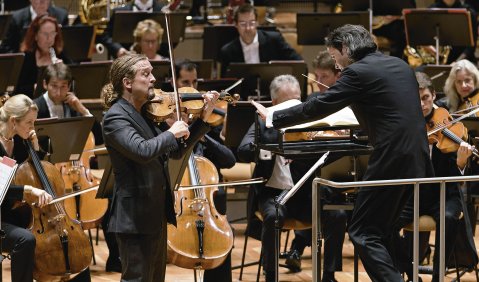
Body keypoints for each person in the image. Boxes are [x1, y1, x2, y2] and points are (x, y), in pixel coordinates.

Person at [252, 24, 433, 281]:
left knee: (362, 231)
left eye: (336, 58)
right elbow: (389, 112)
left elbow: (319, 106)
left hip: (392, 157)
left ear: (345, 48)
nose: (337, 65)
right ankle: (405, 275)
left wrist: (273, 116)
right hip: (417, 158)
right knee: (386, 228)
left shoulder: (357, 72)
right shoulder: (400, 65)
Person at [102, 53, 219, 281]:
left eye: (152, 72)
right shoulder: (115, 118)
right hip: (134, 219)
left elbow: (174, 151)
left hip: (155, 214)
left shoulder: (145, 113)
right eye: (146, 74)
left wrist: (202, 120)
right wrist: (170, 132)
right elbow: (142, 151)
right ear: (127, 83)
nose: (153, 79)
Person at [238, 74, 345, 282]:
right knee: (272, 216)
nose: (294, 109)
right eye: (288, 103)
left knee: (338, 214)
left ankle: (329, 275)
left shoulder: (311, 124)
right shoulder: (264, 123)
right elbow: (243, 150)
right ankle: (271, 274)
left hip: (306, 194)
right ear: (275, 103)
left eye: (297, 102)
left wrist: (338, 136)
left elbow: (334, 154)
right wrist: (267, 147)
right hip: (274, 193)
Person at [395, 72, 478, 282]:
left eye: (425, 98)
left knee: (449, 217)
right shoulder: (404, 127)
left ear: (433, 95)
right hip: (413, 194)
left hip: (444, 194)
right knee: (384, 225)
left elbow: (456, 174)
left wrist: (461, 161)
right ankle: (410, 272)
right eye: (416, 100)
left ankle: (437, 275)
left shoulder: (447, 125)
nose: (422, 105)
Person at [0, 94, 53, 282]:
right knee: (26, 239)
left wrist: (36, 148)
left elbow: (44, 174)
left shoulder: (22, 142)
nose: (33, 127)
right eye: (29, 122)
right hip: (1, 218)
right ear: (14, 121)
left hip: (16, 214)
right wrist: (29, 191)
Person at [218, 3, 302, 77]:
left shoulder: (274, 40)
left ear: (257, 23)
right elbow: (225, 84)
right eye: (243, 24)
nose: (248, 28)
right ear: (236, 25)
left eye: (252, 23)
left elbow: (299, 63)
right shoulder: (228, 51)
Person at [98, 0, 178, 59]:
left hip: (158, 60)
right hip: (126, 61)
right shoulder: (120, 10)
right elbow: (106, 36)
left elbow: (174, 38)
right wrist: (118, 49)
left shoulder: (164, 11)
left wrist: (154, 49)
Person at [15, 15, 72, 98]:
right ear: (36, 36)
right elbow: (18, 89)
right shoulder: (26, 57)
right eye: (45, 34)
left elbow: (73, 81)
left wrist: (64, 70)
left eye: (52, 33)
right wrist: (33, 88)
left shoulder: (61, 54)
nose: (49, 39)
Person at [0, 0, 68, 54]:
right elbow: (7, 50)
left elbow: (65, 49)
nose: (42, 1)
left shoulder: (61, 16)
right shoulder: (16, 18)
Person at [428, 0, 477, 64]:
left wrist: (457, 62)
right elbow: (423, 38)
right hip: (436, 61)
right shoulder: (430, 11)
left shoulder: (469, 12)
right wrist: (433, 51)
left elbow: (471, 47)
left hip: (464, 62)